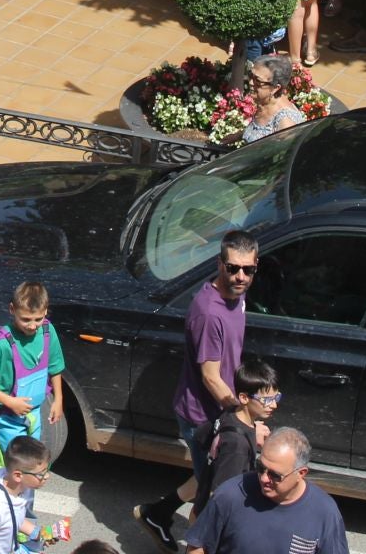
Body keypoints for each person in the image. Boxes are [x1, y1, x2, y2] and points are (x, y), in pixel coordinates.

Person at [134, 229, 259, 550]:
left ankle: (156, 514)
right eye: (233, 268)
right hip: (202, 416)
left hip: (218, 409)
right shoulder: (209, 312)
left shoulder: (237, 295)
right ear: (220, 264)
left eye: (248, 269)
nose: (241, 276)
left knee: (206, 475)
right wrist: (244, 418)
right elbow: (211, 377)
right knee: (210, 498)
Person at [184, 429, 347, 554]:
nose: (263, 478)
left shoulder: (325, 512)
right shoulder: (230, 495)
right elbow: (198, 546)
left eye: (275, 475)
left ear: (301, 473)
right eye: (260, 467)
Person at [0, 282, 66, 467]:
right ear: (12, 309)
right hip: (6, 417)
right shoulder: (0, 345)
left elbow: (55, 366)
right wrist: (10, 402)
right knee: (14, 467)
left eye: (38, 319)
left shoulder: (48, 331)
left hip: (34, 413)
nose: (32, 326)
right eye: (26, 319)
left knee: (32, 463)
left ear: (46, 311)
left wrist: (58, 399)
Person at [201, 361, 282, 507]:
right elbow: (220, 494)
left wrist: (252, 429)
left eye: (276, 397)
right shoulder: (237, 446)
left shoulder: (230, 412)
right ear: (244, 398)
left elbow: (200, 436)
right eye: (267, 400)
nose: (274, 405)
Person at [242, 55, 306, 143]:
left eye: (257, 81)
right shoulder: (265, 101)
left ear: (275, 88)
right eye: (250, 75)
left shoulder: (285, 125)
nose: (250, 82)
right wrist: (238, 135)